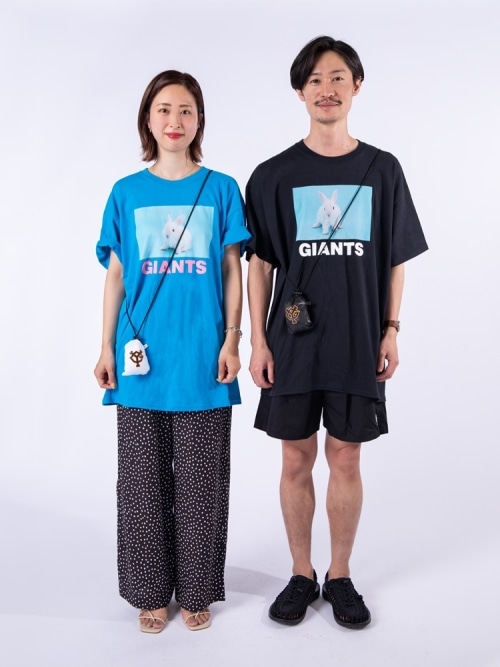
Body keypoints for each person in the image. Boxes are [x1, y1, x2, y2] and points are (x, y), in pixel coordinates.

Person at [245, 36, 428, 629]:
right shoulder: (272, 175)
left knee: (346, 457)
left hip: (357, 339)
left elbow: (395, 259)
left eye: (338, 78)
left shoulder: (383, 169)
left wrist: (391, 330)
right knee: (294, 456)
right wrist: (258, 341)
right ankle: (301, 574)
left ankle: (340, 575)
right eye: (315, 80)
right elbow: (260, 265)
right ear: (300, 91)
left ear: (357, 86)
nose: (327, 89)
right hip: (293, 341)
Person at [94, 70, 250, 634]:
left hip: (204, 358)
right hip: (141, 362)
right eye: (163, 110)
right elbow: (116, 275)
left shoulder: (221, 188)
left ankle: (198, 588)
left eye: (185, 110)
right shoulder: (126, 192)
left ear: (199, 120)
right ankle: (150, 592)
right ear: (148, 119)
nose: (175, 121)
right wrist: (104, 347)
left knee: (202, 484)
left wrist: (232, 338)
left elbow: (232, 269)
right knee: (141, 484)